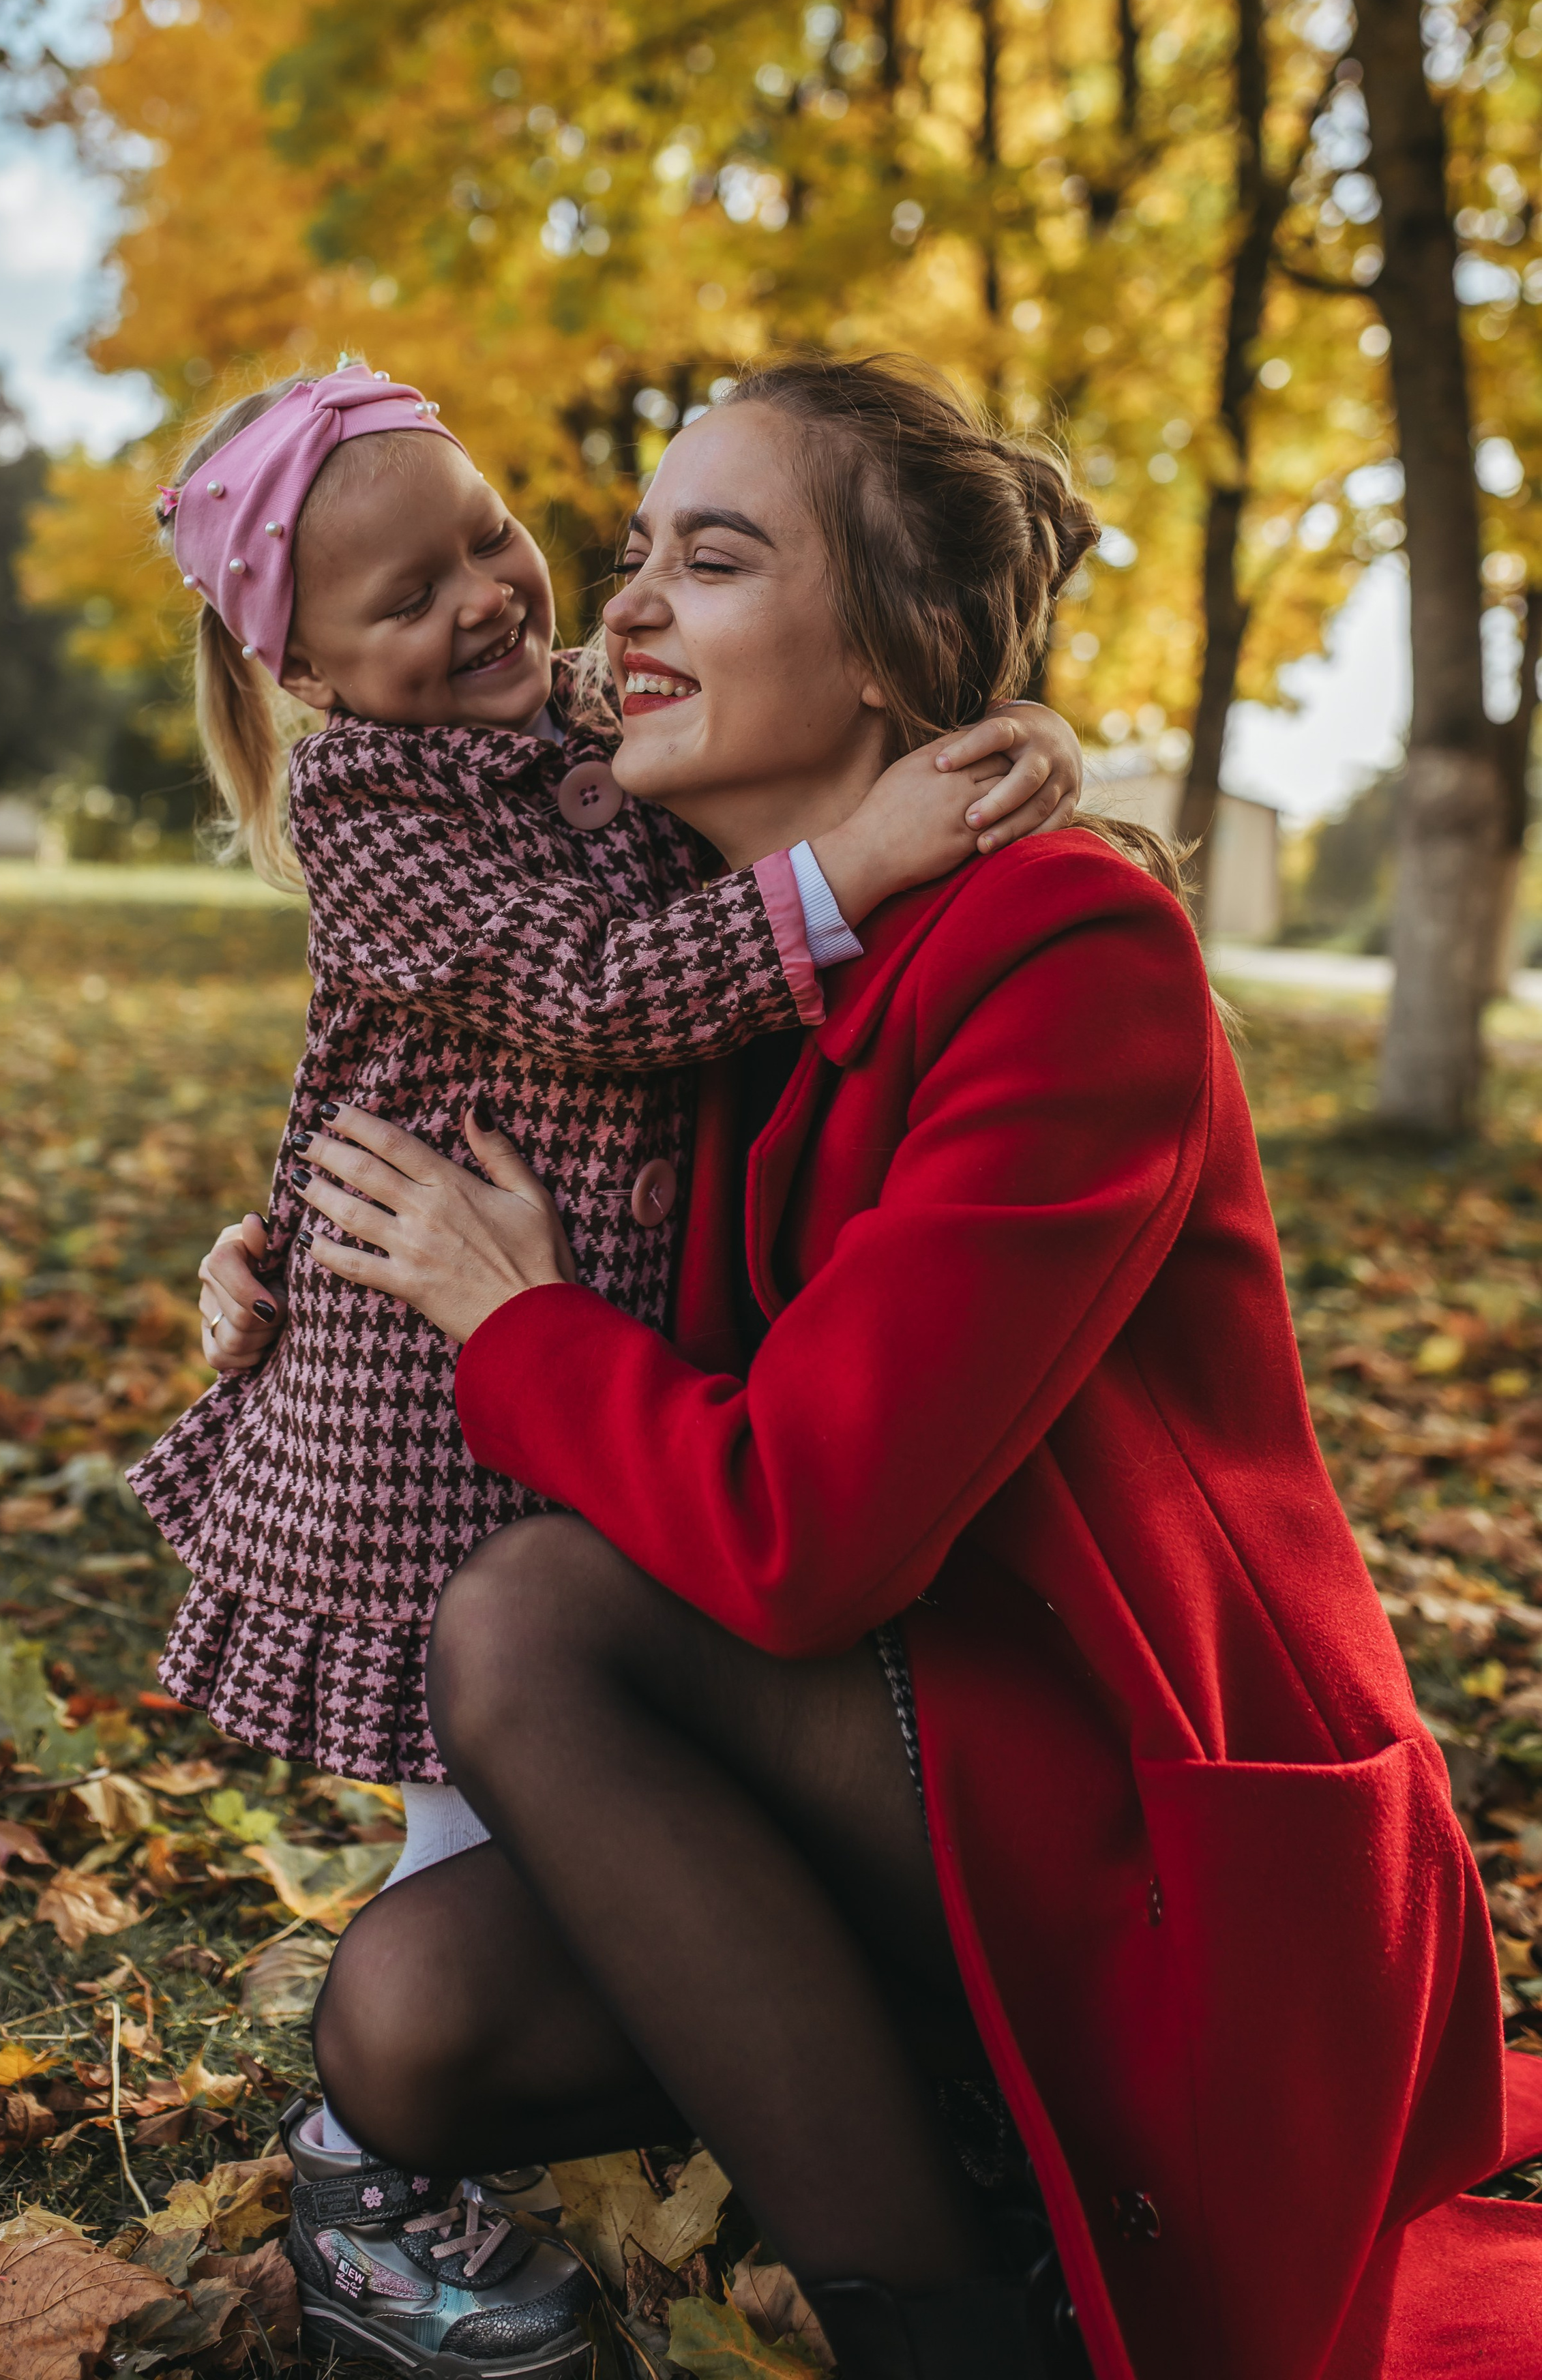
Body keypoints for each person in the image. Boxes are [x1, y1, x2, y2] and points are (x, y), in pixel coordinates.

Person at [286, 356, 1542, 2380]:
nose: (621, 612)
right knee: (410, 2019)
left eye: (712, 559)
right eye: (631, 558)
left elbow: (799, 1535)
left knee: (527, 1618)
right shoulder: (737, 962)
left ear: (881, 658)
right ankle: (962, 2143)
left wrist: (516, 1326)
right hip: (910, 1764)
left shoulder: (1067, 957)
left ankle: (955, 2338)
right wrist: (298, 1264)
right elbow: (493, 1073)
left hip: (1147, 1814)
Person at [128, 359, 1087, 2372]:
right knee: (474, 1750)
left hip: (681, 1469)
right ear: (310, 674)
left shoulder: (596, 739)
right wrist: (287, 1245)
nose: (516, 597)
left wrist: (931, 792)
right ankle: (428, 2173)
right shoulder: (375, 797)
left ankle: (907, 2183)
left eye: (497, 537)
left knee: (530, 1694)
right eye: (407, 598)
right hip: (436, 1399)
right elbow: (544, 995)